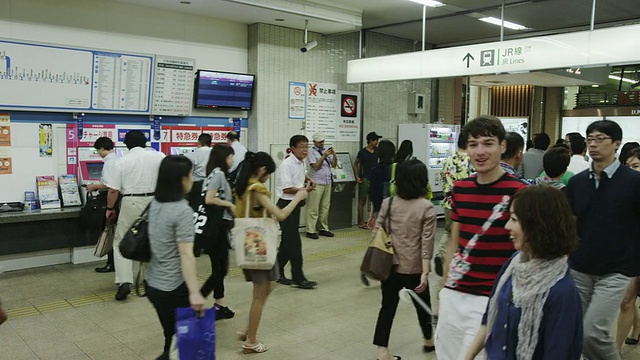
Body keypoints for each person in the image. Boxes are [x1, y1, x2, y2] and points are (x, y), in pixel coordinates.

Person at [436, 116, 528, 360]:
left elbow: (526, 252)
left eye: (488, 143)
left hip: (494, 297)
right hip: (456, 293)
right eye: (473, 144)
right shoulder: (460, 189)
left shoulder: (519, 192)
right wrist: (444, 288)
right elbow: (455, 242)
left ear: (503, 146)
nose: (480, 151)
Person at [464, 185, 583, 360]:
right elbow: (489, 318)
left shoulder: (561, 292)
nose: (506, 226)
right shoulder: (513, 265)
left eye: (514, 219)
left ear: (537, 224)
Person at [566, 120, 640, 360]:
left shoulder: (633, 182)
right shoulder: (577, 183)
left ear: (616, 143)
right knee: (577, 332)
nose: (593, 145)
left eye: (600, 139)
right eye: (590, 139)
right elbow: (570, 223)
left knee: (592, 332)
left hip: (616, 270)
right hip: (580, 267)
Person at [234, 151, 308, 354]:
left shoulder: (241, 187)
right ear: (262, 170)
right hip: (258, 243)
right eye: (268, 175)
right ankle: (251, 340)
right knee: (260, 293)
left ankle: (248, 328)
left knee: (270, 284)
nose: (267, 179)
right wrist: (299, 196)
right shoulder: (256, 189)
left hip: (247, 240)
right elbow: (282, 214)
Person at [372, 159, 436, 360]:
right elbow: (427, 242)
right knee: (422, 305)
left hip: (389, 266)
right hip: (415, 269)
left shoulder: (388, 203)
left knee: (387, 307)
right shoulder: (426, 207)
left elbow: (376, 231)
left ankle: (382, 351)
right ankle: (428, 341)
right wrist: (426, 272)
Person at [145, 155, 206, 360]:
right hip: (174, 287)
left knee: (172, 337)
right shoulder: (182, 210)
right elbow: (186, 254)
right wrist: (195, 292)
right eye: (190, 175)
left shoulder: (154, 203)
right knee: (185, 344)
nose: (192, 180)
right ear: (182, 179)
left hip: (154, 283)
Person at [105, 130, 165, 301]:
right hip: (154, 202)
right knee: (151, 239)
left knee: (121, 241)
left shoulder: (121, 161)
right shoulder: (159, 156)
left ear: (127, 144)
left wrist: (110, 208)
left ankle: (124, 282)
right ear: (145, 142)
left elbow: (113, 190)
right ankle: (148, 279)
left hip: (131, 201)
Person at [199, 143, 236, 320]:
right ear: (223, 158)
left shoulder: (215, 173)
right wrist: (229, 204)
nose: (232, 160)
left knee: (219, 268)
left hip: (218, 226)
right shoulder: (218, 174)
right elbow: (209, 198)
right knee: (221, 269)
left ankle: (218, 305)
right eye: (230, 157)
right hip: (218, 227)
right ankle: (196, 301)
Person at [276, 135, 316, 289]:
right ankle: (298, 278)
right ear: (292, 148)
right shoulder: (287, 164)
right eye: (301, 146)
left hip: (295, 204)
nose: (305, 150)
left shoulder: (300, 162)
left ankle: (276, 271)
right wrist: (304, 190)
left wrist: (308, 179)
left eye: (306, 146)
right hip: (286, 206)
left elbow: (299, 175)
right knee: (295, 244)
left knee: (287, 243)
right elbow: (286, 188)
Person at [435, 130, 473, 278]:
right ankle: (456, 262)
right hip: (465, 203)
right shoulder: (471, 162)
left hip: (448, 203)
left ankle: (441, 253)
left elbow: (444, 182)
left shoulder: (447, 161)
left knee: (448, 229)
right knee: (461, 235)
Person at [616, 147, 640, 351]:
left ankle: (637, 327)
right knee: (626, 301)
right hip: (631, 251)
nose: (631, 171)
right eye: (628, 166)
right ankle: (615, 349)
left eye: (636, 166)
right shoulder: (624, 191)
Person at [86, 136, 118, 273]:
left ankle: (111, 264)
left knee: (109, 231)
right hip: (115, 199)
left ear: (102, 149)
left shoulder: (110, 163)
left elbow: (110, 186)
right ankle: (112, 263)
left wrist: (95, 186)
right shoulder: (116, 160)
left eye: (98, 150)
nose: (98, 153)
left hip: (109, 200)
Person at [305, 132, 336, 239]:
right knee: (313, 207)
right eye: (319, 142)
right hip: (316, 183)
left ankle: (323, 228)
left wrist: (334, 154)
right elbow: (315, 167)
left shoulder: (326, 150)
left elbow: (334, 165)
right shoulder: (311, 152)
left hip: (327, 181)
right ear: (314, 142)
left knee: (325, 207)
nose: (321, 144)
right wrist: (324, 156)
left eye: (322, 141)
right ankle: (310, 230)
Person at [354, 131, 382, 229]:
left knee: (375, 199)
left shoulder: (378, 151)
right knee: (362, 200)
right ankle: (361, 221)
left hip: (375, 178)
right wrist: (357, 176)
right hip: (365, 177)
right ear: (370, 140)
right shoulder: (362, 152)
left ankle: (373, 221)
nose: (377, 142)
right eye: (376, 140)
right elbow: (356, 164)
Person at [368, 139, 396, 224]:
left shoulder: (374, 170)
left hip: (378, 208)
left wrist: (371, 214)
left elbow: (372, 192)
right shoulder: (395, 169)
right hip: (394, 208)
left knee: (380, 234)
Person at [185, 133, 212, 210]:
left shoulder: (192, 155)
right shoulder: (214, 154)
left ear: (199, 142)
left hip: (196, 186)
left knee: (195, 207)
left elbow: (189, 173)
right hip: (211, 185)